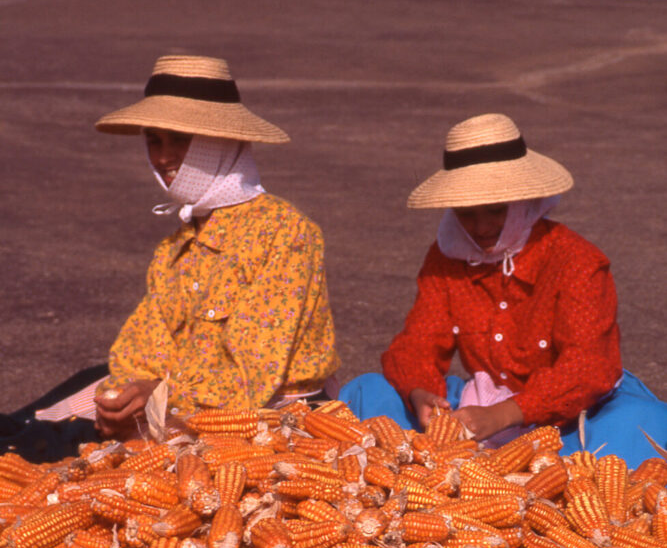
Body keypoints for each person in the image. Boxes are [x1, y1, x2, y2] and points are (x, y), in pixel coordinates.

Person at [12, 54, 339, 452]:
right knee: (29, 421)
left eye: (181, 140)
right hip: (177, 399)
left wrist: (158, 395)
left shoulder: (285, 233)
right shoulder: (174, 249)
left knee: (41, 443)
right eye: (154, 140)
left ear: (222, 142)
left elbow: (253, 373)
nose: (164, 157)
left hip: (258, 415)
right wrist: (133, 392)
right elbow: (138, 351)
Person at [340, 113, 667, 468]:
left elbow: (588, 367)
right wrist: (421, 393)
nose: (481, 227)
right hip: (480, 404)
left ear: (523, 201)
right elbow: (418, 342)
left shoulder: (576, 260)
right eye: (466, 214)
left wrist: (506, 414)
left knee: (638, 422)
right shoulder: (447, 257)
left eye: (495, 211)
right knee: (371, 390)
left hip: (573, 412)